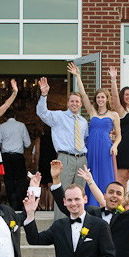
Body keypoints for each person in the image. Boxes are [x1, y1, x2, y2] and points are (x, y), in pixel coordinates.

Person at [67, 62, 121, 207]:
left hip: (106, 148)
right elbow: (83, 94)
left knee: (105, 175)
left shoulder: (114, 114)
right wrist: (78, 76)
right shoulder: (92, 112)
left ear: (107, 98)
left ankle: (106, 203)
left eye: (103, 97)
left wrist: (115, 145)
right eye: (98, 97)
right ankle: (90, 204)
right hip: (91, 146)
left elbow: (119, 135)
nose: (100, 100)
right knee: (91, 173)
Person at [36, 76, 88, 219]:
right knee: (62, 192)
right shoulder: (59, 117)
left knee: (79, 194)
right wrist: (44, 95)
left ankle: (78, 223)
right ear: (67, 103)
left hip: (82, 160)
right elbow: (42, 113)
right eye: (72, 101)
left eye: (77, 101)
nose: (74, 103)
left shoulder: (83, 122)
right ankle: (60, 225)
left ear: (81, 104)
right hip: (65, 158)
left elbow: (84, 140)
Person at [108, 66, 129, 189]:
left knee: (127, 176)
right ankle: (119, 200)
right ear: (123, 96)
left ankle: (124, 198)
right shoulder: (121, 110)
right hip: (124, 144)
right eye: (126, 94)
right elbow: (115, 97)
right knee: (121, 176)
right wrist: (113, 79)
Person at [0, 108, 31, 210]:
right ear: (15, 116)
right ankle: (17, 195)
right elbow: (28, 143)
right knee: (21, 178)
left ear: (5, 118)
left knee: (8, 178)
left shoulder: (1, 126)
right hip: (18, 155)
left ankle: (12, 200)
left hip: (6, 156)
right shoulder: (21, 126)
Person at [32, 125, 57, 211]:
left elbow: (37, 152)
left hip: (43, 162)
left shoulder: (39, 139)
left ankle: (42, 205)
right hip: (52, 163)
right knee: (51, 185)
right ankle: (50, 206)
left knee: (42, 185)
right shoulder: (55, 139)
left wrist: (37, 165)